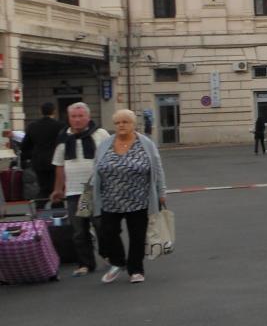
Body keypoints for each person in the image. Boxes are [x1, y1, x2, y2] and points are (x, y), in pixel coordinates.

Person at [86, 109, 167, 285]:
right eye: (117, 123)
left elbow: (157, 169)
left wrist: (161, 192)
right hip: (110, 199)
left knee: (137, 236)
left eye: (125, 122)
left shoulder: (146, 143)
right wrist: (92, 192)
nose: (121, 125)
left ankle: (136, 269)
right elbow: (96, 167)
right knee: (108, 232)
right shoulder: (105, 144)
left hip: (139, 198)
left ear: (133, 124)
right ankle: (118, 262)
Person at [50, 102, 112, 276]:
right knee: (79, 230)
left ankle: (107, 254)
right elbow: (59, 166)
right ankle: (85, 263)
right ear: (68, 118)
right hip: (74, 191)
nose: (77, 120)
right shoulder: (63, 137)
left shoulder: (101, 134)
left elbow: (111, 159)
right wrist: (58, 189)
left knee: (101, 225)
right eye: (73, 117)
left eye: (80, 116)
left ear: (88, 117)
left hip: (96, 189)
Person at [20, 102, 63, 205]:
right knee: (55, 187)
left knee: (43, 187)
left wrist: (31, 156)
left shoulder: (32, 126)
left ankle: (39, 209)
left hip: (38, 162)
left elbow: (25, 146)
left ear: (40, 111)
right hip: (55, 161)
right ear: (54, 111)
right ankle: (57, 211)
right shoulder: (60, 126)